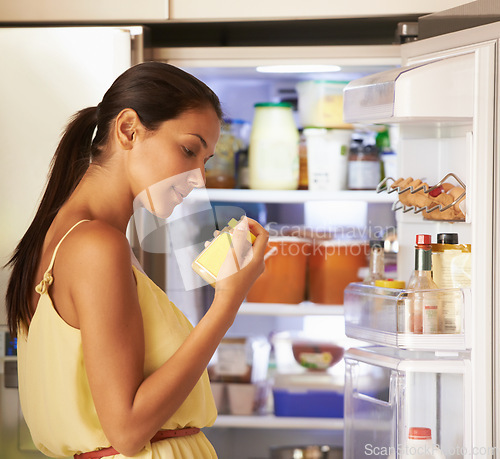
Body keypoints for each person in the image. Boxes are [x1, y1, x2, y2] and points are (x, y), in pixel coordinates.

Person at [5, 62, 268, 459]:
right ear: (128, 130)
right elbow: (127, 431)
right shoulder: (96, 246)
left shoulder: (72, 238)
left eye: (206, 160)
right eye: (188, 149)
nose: (199, 177)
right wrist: (227, 302)